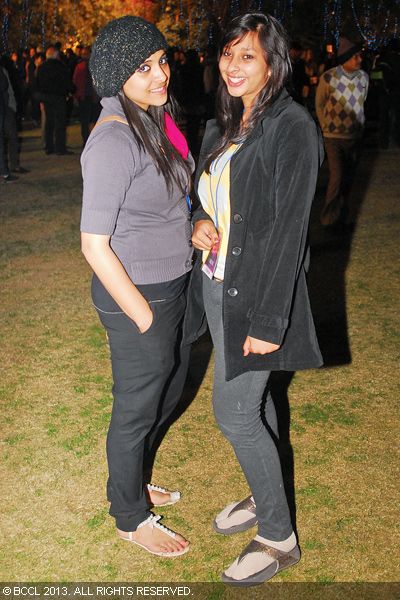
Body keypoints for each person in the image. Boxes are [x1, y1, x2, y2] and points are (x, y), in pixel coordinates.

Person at [188, 12, 323, 586]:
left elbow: (291, 232)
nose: (234, 66)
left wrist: (271, 321)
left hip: (257, 296)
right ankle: (265, 490)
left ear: (273, 62)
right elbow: (206, 193)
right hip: (216, 284)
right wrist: (198, 222)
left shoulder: (292, 126)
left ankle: (278, 537)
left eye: (248, 55)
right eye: (228, 53)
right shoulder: (222, 126)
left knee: (235, 410)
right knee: (256, 400)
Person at [80, 16, 194, 558]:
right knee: (136, 409)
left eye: (162, 61)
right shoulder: (113, 140)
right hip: (138, 298)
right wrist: (143, 317)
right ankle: (128, 514)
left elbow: (174, 195)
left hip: (175, 285)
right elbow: (94, 244)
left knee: (166, 392)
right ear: (115, 74)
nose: (160, 75)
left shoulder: (156, 119)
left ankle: (135, 478)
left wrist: (193, 223)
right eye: (143, 67)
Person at [315, 37, 369, 228]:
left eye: (359, 56)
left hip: (354, 137)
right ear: (345, 59)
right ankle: (328, 218)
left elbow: (363, 102)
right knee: (337, 177)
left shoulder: (364, 78)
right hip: (333, 138)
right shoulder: (329, 77)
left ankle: (341, 216)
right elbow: (319, 103)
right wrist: (325, 126)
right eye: (355, 57)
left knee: (349, 179)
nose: (359, 60)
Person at [36, 46, 74, 155]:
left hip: (46, 97)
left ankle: (49, 146)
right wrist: (70, 90)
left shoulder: (41, 67)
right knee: (60, 123)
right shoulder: (60, 66)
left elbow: (37, 83)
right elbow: (66, 81)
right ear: (56, 55)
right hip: (59, 97)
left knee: (49, 122)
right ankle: (60, 147)